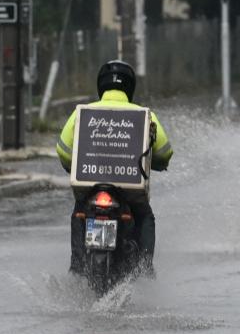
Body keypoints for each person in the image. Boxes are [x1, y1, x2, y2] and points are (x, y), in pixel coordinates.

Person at [56, 60, 173, 276]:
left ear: (101, 85)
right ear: (130, 87)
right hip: (129, 190)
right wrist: (157, 163)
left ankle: (77, 265)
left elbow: (63, 149)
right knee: (145, 216)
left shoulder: (83, 112)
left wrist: (71, 165)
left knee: (79, 212)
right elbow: (164, 152)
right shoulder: (145, 115)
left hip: (91, 187)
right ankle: (145, 268)